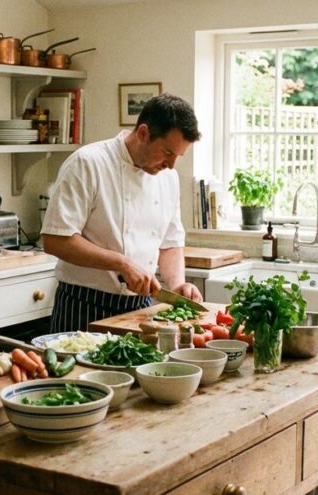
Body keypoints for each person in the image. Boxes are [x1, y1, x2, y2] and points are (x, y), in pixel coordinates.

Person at [41, 93, 203, 333]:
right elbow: (55, 239)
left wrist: (177, 283)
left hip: (141, 308)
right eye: (168, 153)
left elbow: (170, 243)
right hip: (84, 305)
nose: (171, 165)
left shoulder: (168, 177)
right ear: (143, 133)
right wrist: (122, 263)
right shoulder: (88, 163)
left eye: (178, 157)